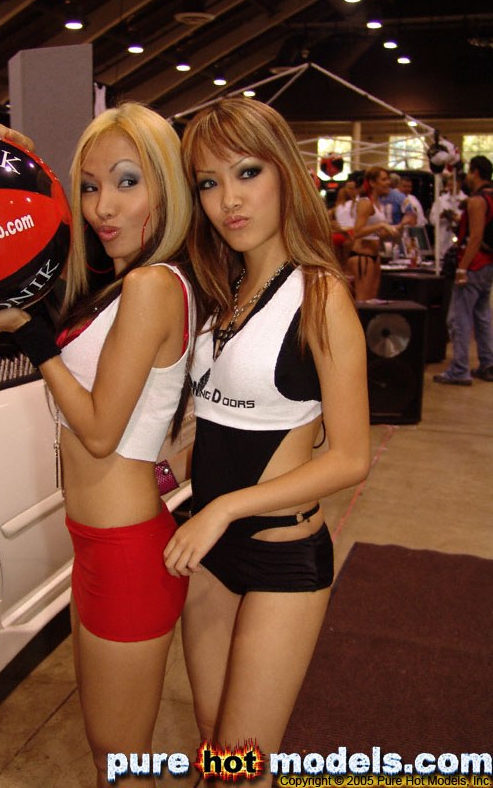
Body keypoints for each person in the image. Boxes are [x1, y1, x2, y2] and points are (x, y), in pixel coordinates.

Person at [0, 103, 198, 787]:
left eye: (127, 182)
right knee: (112, 753)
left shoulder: (152, 285)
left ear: (167, 188)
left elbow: (101, 430)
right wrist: (15, 161)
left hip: (127, 550)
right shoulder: (117, 286)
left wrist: (28, 335)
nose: (103, 206)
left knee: (121, 759)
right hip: (100, 542)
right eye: (89, 186)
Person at [163, 98, 371, 779]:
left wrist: (223, 507)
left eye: (247, 172)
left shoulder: (321, 296)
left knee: (241, 763)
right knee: (212, 740)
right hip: (210, 553)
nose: (229, 199)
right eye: (209, 182)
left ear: (284, 171)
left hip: (282, 559)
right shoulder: (220, 291)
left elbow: (350, 458)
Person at [434, 155, 493, 385]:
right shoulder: (489, 197)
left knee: (459, 318)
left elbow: (475, 236)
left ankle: (459, 369)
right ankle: (487, 363)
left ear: (475, 172)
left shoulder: (477, 201)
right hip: (487, 264)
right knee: (482, 315)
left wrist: (462, 268)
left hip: (474, 264)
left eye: (469, 172)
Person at [347, 166, 398, 300]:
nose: (388, 183)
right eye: (384, 179)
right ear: (372, 182)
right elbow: (357, 232)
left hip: (374, 256)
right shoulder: (365, 203)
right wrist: (381, 225)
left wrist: (392, 229)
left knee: (372, 299)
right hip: (362, 256)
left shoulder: (378, 204)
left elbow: (372, 234)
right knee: (363, 300)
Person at [429, 171, 467, 256]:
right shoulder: (440, 200)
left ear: (460, 184)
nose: (450, 185)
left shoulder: (466, 200)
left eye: (453, 182)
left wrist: (456, 218)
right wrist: (441, 215)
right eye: (449, 182)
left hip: (460, 241)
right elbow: (432, 220)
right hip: (442, 241)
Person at [329, 185, 356, 269]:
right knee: (347, 263)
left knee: (338, 264)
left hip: (336, 235)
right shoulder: (354, 205)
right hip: (350, 233)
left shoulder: (334, 209)